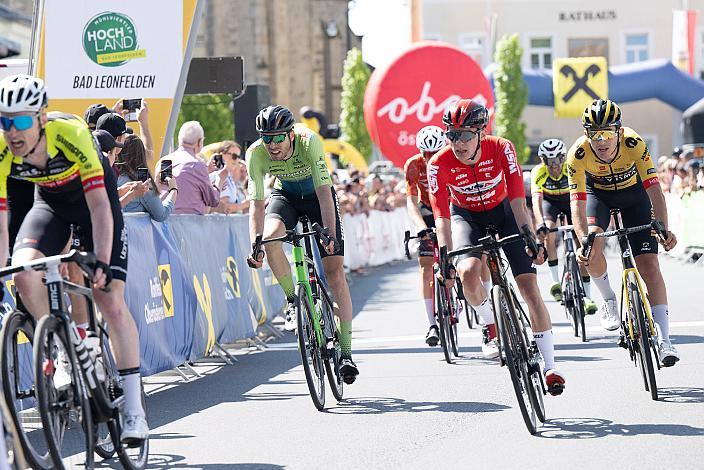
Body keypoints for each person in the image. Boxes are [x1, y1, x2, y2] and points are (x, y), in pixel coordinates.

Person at [0, 74, 148, 441]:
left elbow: (99, 205)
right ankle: (60, 347)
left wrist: (99, 259)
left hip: (92, 205)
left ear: (42, 120)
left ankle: (133, 409)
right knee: (23, 273)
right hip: (47, 203)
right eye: (4, 121)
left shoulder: (73, 134)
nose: (12, 132)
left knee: (109, 298)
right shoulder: (3, 149)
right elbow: (3, 218)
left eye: (20, 121)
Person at [428, 98, 565, 394]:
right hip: (465, 217)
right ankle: (490, 322)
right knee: (467, 273)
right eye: (451, 135)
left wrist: (529, 235)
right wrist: (443, 255)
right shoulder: (438, 163)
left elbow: (517, 198)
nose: (458, 142)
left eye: (464, 135)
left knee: (529, 288)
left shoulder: (501, 147)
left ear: (481, 132)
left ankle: (550, 365)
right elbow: (441, 216)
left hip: (504, 213)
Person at [245, 105, 359, 384]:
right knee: (270, 238)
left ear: (291, 135)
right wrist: (255, 243)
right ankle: (294, 300)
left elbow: (323, 192)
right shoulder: (256, 153)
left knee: (335, 274)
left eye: (277, 138)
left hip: (318, 199)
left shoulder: (309, 142)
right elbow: (257, 204)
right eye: (266, 138)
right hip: (286, 196)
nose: (271, 145)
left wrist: (329, 235)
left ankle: (346, 353)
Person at [567, 98, 679, 366]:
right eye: (595, 135)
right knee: (591, 246)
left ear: (619, 131)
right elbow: (577, 202)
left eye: (607, 133)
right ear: (586, 135)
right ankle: (608, 299)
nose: (601, 141)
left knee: (649, 265)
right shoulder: (578, 154)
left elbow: (654, 189)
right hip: (599, 198)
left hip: (634, 196)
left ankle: (665, 339)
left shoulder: (634, 143)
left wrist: (662, 227)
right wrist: (584, 240)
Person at [531, 139, 597, 314]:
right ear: (542, 160)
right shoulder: (538, 172)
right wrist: (540, 223)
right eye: (549, 161)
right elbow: (536, 201)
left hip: (570, 201)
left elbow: (584, 196)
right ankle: (555, 282)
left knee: (582, 246)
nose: (554, 166)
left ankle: (588, 297)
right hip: (550, 203)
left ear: (563, 159)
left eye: (558, 160)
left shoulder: (571, 169)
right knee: (549, 231)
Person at [404, 125, 446, 346]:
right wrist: (420, 226)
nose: (430, 159)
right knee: (426, 265)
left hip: (450, 209)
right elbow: (411, 201)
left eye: (435, 154)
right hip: (427, 210)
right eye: (426, 154)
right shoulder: (413, 165)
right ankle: (432, 324)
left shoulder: (452, 159)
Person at [155, 121, 227, 215]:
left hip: (165, 222)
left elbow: (168, 187)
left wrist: (206, 169)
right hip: (188, 225)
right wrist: (219, 181)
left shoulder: (165, 161)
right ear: (199, 142)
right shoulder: (197, 165)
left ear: (179, 139)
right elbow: (213, 200)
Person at [118, 135, 178, 221]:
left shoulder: (115, 176)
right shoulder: (142, 178)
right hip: (135, 232)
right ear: (142, 154)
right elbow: (161, 214)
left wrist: (156, 187)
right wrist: (174, 190)